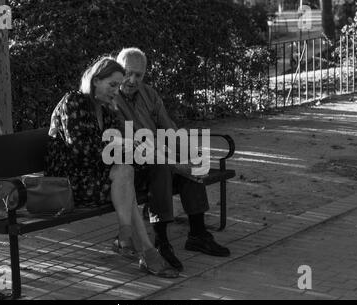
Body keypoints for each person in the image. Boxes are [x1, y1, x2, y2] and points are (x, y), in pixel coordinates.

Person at [44, 56, 178, 278]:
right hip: (70, 181)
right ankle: (142, 249)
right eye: (112, 84)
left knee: (126, 172)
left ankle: (132, 241)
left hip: (98, 176)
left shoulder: (106, 110)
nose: (117, 91)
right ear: (96, 80)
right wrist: (121, 148)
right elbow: (80, 150)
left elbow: (114, 148)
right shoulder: (73, 102)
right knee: (127, 180)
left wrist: (128, 148)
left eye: (118, 85)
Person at [113, 48, 230, 272]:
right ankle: (162, 242)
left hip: (154, 158)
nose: (132, 80)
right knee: (164, 166)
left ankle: (197, 233)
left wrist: (189, 154)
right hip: (130, 167)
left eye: (138, 75)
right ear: (118, 71)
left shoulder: (149, 94)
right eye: (127, 73)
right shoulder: (112, 99)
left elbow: (170, 129)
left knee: (184, 161)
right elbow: (130, 144)